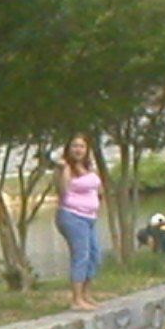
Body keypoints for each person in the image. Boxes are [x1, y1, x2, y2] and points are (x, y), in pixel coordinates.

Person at [54, 133, 104, 310]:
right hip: (72, 216)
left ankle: (85, 293)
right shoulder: (65, 168)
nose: (78, 149)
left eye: (82, 146)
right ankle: (76, 300)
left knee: (95, 256)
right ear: (68, 149)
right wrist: (63, 170)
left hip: (89, 217)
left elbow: (96, 187)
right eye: (74, 146)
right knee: (81, 255)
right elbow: (62, 191)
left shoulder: (88, 166)